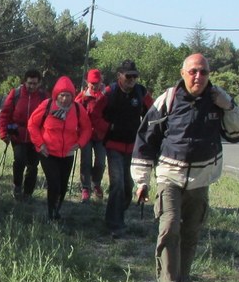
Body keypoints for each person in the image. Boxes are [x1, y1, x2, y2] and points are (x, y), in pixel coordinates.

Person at [132, 53, 239, 282]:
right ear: (183, 73)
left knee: (190, 235)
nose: (198, 76)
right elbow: (145, 139)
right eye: (193, 71)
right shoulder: (169, 99)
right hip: (169, 177)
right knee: (169, 227)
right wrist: (141, 181)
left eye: (204, 72)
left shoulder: (217, 100)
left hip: (200, 180)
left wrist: (228, 105)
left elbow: (238, 133)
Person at [28, 75, 92, 223]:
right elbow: (32, 124)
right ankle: (51, 213)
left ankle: (57, 210)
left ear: (72, 95)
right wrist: (40, 144)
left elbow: (87, 128)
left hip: (67, 153)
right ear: (57, 94)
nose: (64, 99)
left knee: (63, 185)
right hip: (48, 152)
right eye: (62, 95)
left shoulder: (77, 108)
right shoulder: (47, 105)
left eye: (68, 95)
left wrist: (80, 143)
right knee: (54, 182)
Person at [101, 59, 153, 237]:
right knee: (117, 184)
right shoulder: (109, 92)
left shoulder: (141, 92)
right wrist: (108, 128)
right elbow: (94, 113)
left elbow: (153, 113)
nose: (132, 79)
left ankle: (117, 215)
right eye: (128, 76)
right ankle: (114, 224)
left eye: (135, 76)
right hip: (113, 145)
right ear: (119, 76)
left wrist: (148, 134)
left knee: (128, 185)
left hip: (133, 147)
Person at [0, 69, 48, 201]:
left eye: (35, 84)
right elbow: (5, 114)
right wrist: (4, 133)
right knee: (19, 161)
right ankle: (17, 186)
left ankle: (28, 193)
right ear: (24, 82)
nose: (32, 86)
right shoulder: (16, 94)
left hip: (36, 136)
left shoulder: (44, 97)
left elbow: (48, 118)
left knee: (33, 165)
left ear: (39, 83)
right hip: (18, 134)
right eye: (29, 83)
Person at [75, 68, 109, 203]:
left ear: (101, 82)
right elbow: (75, 112)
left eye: (97, 82)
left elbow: (109, 114)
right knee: (86, 162)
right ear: (87, 82)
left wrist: (106, 126)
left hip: (101, 135)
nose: (94, 85)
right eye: (92, 83)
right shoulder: (82, 97)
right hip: (86, 134)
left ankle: (96, 184)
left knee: (100, 162)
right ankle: (85, 188)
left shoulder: (106, 97)